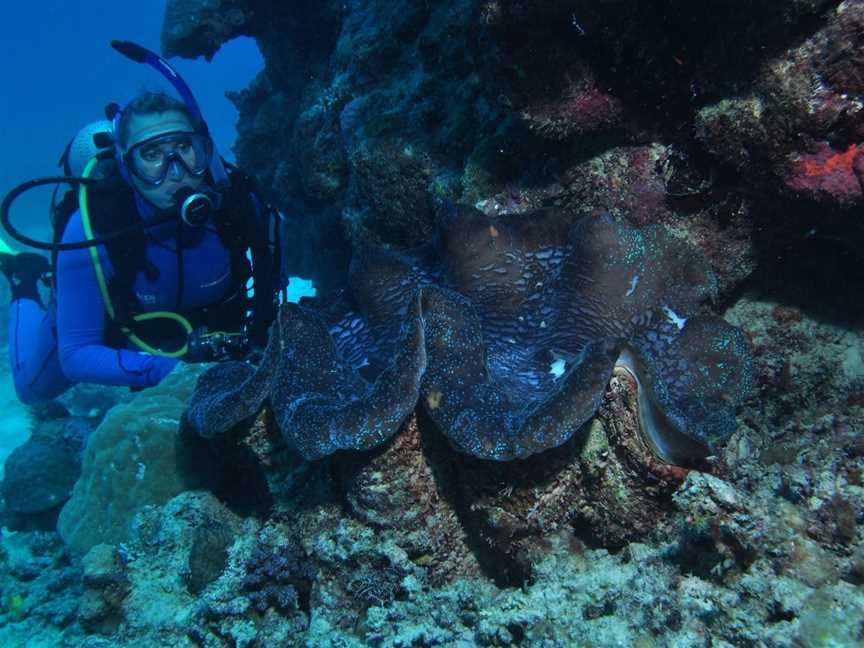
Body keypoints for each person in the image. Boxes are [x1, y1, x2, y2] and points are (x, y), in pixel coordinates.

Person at [0, 43, 282, 405]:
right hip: (124, 328)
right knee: (30, 388)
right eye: (152, 155)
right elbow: (77, 355)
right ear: (126, 167)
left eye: (184, 146)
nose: (175, 170)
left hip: (197, 329)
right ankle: (24, 278)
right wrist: (171, 372)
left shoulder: (240, 205)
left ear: (204, 150)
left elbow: (271, 294)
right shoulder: (90, 230)